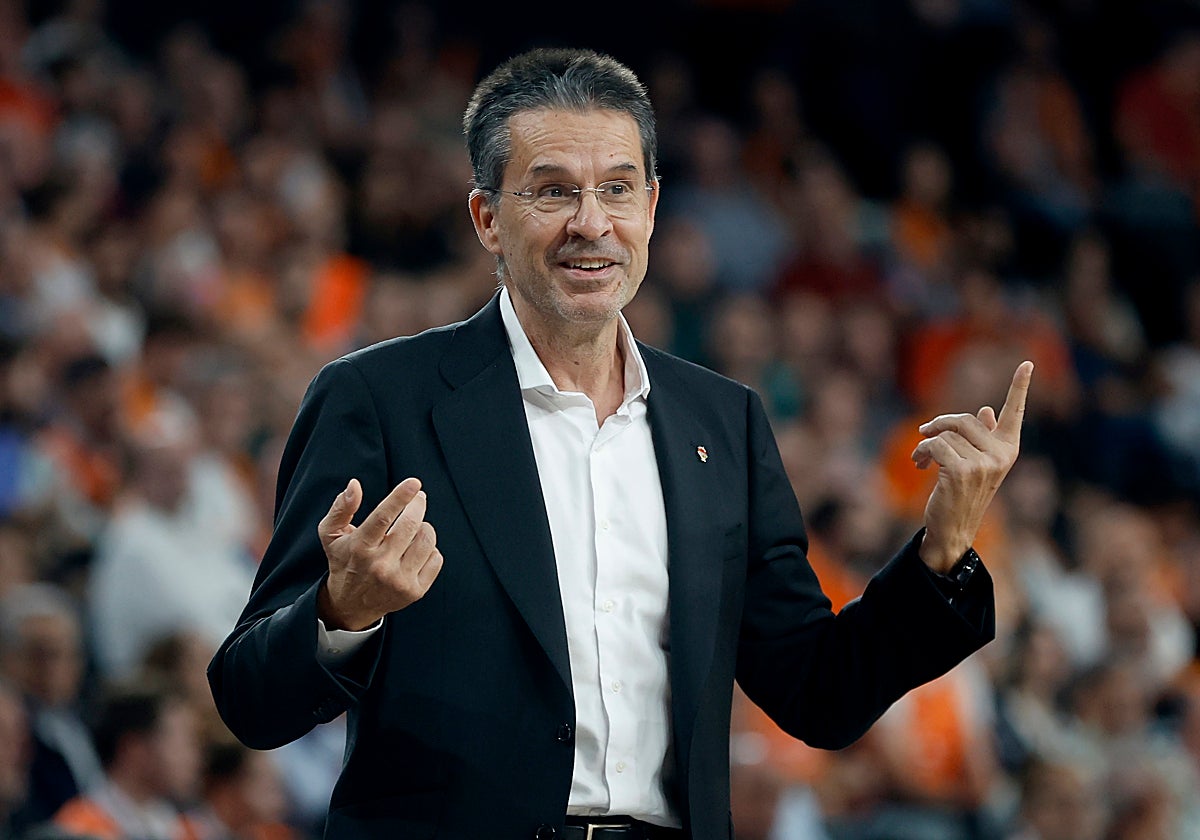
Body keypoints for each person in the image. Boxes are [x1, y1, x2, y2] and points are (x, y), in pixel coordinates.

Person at [208, 48, 1033, 840]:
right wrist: (339, 612)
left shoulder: (725, 424)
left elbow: (818, 692)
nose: (591, 223)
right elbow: (250, 700)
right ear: (487, 218)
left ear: (652, 207)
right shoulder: (378, 401)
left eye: (617, 188)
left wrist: (945, 546)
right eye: (553, 191)